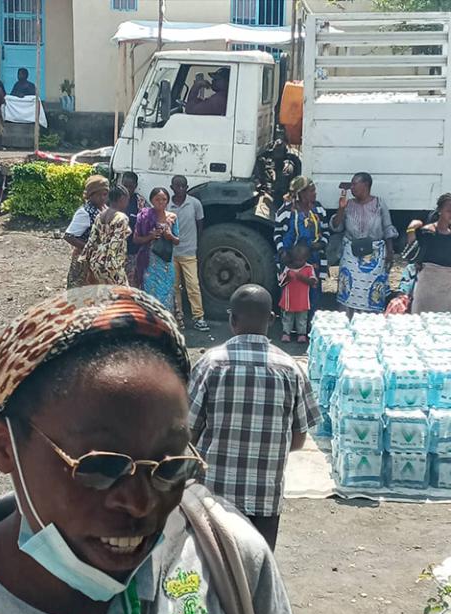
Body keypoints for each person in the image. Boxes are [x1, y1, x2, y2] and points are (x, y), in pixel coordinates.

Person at [0, 285, 302, 614]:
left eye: (171, 466)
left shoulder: (225, 556)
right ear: (3, 446)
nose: (141, 502)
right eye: (102, 466)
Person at [189, 284, 321, 551]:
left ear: (232, 319)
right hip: (265, 500)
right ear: (271, 319)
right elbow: (298, 440)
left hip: (214, 498)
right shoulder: (291, 369)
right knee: (258, 571)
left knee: (213, 574)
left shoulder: (210, 364)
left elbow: (188, 432)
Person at [330, 172, 398, 317]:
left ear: (365, 185)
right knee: (349, 289)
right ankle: (347, 321)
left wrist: (390, 252)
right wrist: (341, 208)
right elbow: (337, 227)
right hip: (351, 255)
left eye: (355, 184)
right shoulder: (348, 205)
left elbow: (387, 228)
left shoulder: (379, 203)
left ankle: (369, 325)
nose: (352, 188)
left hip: (374, 257)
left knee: (371, 291)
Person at [274, 176, 329, 315]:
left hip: (314, 259)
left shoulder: (318, 209)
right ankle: (290, 329)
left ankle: (310, 326)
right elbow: (277, 234)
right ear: (301, 193)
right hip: (290, 260)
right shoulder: (285, 211)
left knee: (313, 292)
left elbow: (326, 231)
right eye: (311, 191)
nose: (315, 193)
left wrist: (321, 244)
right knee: (291, 292)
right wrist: (282, 252)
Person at [169, 175, 210, 332]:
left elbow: (200, 225)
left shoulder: (194, 204)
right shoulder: (167, 205)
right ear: (172, 187)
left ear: (187, 187)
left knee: (193, 286)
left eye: (183, 186)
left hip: (189, 252)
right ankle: (178, 318)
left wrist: (196, 245)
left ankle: (198, 317)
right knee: (174, 287)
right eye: (177, 186)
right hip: (172, 253)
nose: (180, 189)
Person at [134, 188, 180, 312]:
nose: (161, 202)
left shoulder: (172, 217)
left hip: (165, 263)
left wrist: (169, 236)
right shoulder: (144, 216)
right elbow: (136, 239)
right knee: (150, 292)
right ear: (151, 200)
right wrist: (151, 236)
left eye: (164, 199)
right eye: (157, 199)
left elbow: (177, 241)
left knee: (166, 292)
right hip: (149, 263)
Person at [79, 184, 131, 286]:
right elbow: (115, 244)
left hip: (97, 263)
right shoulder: (121, 218)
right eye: (127, 200)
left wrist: (87, 262)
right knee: (123, 296)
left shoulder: (100, 215)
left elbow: (92, 240)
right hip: (111, 265)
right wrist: (112, 267)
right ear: (122, 199)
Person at [64, 175, 110, 288]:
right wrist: (91, 248)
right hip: (84, 262)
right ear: (90, 195)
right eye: (99, 195)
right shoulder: (85, 213)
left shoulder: (104, 209)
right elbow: (69, 236)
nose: (103, 198)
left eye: (105, 194)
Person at [411, 193, 451, 314]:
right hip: (427, 286)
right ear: (440, 211)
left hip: (446, 288)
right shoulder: (427, 232)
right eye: (449, 211)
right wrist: (411, 229)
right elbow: (414, 252)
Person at [278, 243, 318, 343]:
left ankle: (301, 334)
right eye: (295, 260)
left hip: (302, 300)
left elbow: (313, 282)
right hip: (289, 299)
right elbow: (281, 282)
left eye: (301, 260)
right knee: (288, 318)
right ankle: (286, 333)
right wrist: (288, 277)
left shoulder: (309, 268)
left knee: (302, 318)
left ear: (306, 258)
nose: (298, 262)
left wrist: (302, 278)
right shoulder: (288, 268)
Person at [121, 172, 147, 287]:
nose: (127, 189)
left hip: (133, 251)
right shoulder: (114, 199)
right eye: (124, 185)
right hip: (115, 251)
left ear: (135, 186)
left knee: (132, 284)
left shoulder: (139, 202)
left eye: (130, 186)